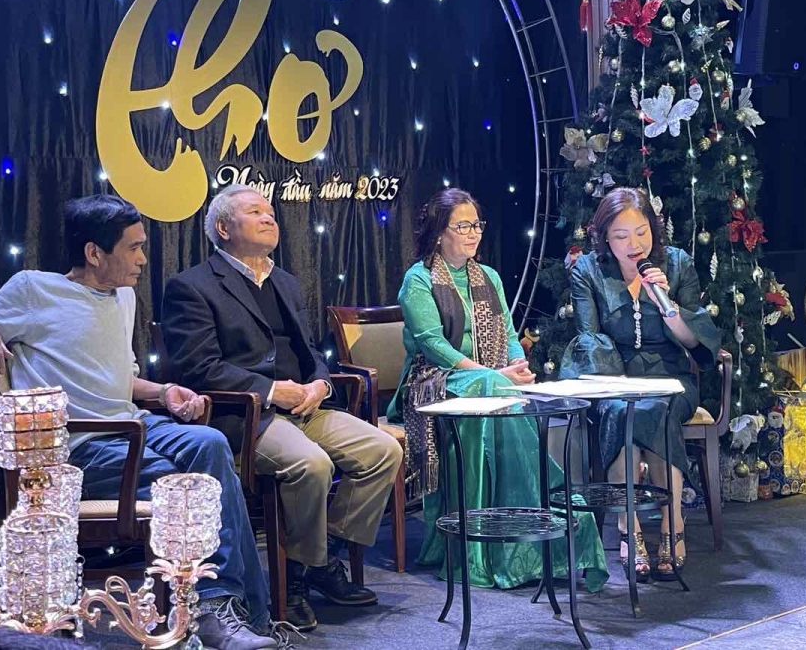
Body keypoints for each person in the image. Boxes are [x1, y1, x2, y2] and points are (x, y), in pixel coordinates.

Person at [0, 195, 277, 650]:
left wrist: (164, 392)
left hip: (133, 426)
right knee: (194, 485)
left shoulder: (124, 296)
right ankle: (228, 614)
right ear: (94, 253)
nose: (142, 259)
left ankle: (227, 611)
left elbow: (119, 379)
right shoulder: (33, 289)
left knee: (210, 443)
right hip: (76, 450)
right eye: (133, 248)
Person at [161, 185, 404, 633]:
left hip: (306, 407)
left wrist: (320, 382)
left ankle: (316, 559)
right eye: (256, 212)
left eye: (270, 212)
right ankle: (293, 581)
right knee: (311, 465)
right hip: (248, 414)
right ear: (223, 228)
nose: (269, 218)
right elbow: (198, 368)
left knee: (383, 451)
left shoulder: (286, 281)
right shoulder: (191, 286)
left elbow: (309, 350)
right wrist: (272, 391)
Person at [386, 188, 609, 592]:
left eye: (477, 225)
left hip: (489, 379)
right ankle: (483, 541)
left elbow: (508, 334)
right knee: (490, 387)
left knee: (496, 390)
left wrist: (517, 367)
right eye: (463, 226)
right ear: (439, 232)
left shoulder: (487, 277)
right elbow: (434, 346)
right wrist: (496, 375)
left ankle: (531, 516)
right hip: (434, 382)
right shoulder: (418, 279)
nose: (473, 233)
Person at [556, 187, 720, 581]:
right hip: (615, 376)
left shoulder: (676, 264)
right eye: (621, 236)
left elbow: (694, 343)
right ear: (604, 238)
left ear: (653, 230)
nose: (634, 245)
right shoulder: (588, 271)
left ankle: (672, 525)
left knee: (656, 409)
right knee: (622, 413)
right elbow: (590, 340)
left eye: (641, 232)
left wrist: (667, 304)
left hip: (670, 376)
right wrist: (615, 386)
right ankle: (629, 529)